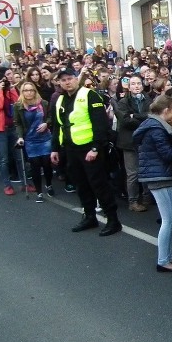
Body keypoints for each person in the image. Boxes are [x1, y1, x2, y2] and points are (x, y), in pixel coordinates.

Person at [50, 67, 122, 237]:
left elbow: (101, 125)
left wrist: (96, 148)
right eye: (63, 80)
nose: (67, 82)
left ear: (76, 79)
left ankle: (113, 220)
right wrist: (54, 148)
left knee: (99, 185)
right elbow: (57, 126)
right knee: (81, 184)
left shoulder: (90, 95)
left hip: (90, 149)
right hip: (70, 149)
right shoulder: (60, 100)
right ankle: (89, 216)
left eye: (70, 78)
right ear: (59, 82)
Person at [134, 95, 172, 272]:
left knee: (169, 219)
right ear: (166, 111)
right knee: (168, 220)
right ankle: (163, 261)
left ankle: (168, 257)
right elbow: (167, 155)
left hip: (159, 175)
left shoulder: (153, 125)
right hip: (160, 177)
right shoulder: (156, 129)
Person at [0, 69, 27, 195]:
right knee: (4, 159)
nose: (3, 83)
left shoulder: (8, 91)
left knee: (19, 157)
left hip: (12, 127)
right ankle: (7, 185)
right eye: (1, 81)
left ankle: (25, 183)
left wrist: (11, 88)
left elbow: (18, 102)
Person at [116, 75, 152, 212]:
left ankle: (147, 197)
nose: (136, 86)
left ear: (142, 86)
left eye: (138, 83)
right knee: (132, 173)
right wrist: (142, 119)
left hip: (145, 140)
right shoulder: (123, 102)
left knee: (146, 169)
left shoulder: (148, 100)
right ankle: (133, 201)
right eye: (133, 84)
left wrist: (135, 116)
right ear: (129, 87)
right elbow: (125, 120)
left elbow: (152, 115)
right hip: (129, 142)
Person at [13, 81, 53, 201]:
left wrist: (46, 124)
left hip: (45, 138)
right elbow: (18, 123)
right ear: (22, 92)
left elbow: (50, 117)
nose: (29, 92)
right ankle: (39, 192)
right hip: (30, 139)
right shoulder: (18, 106)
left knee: (47, 163)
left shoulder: (43, 103)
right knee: (35, 165)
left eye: (31, 90)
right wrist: (20, 137)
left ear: (35, 91)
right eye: (26, 90)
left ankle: (49, 184)